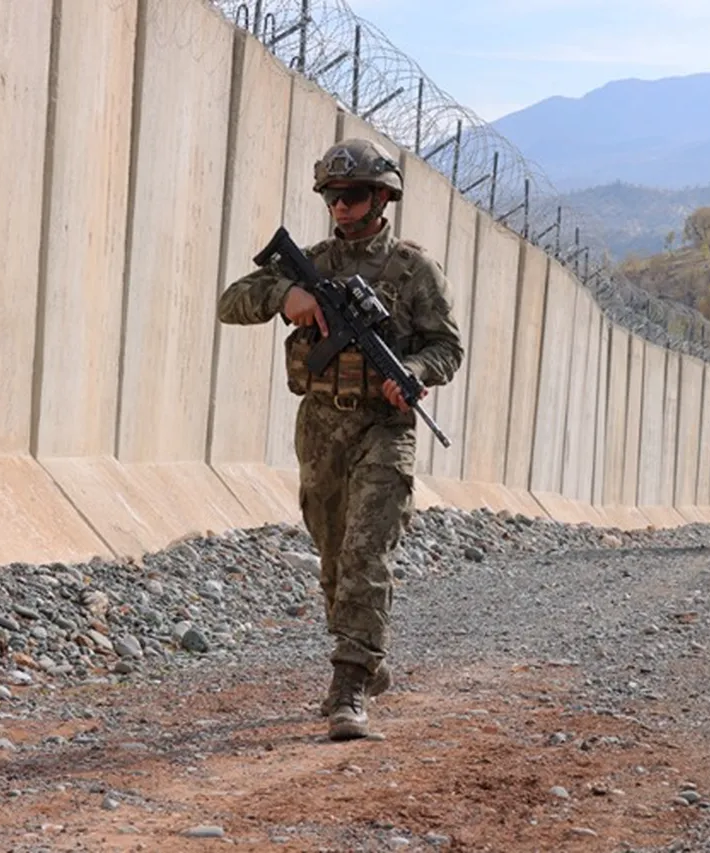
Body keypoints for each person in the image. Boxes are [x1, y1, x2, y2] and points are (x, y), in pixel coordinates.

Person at [216, 137, 465, 740]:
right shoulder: (313, 261)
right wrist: (286, 296)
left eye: (352, 196)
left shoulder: (413, 270)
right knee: (332, 558)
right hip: (322, 426)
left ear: (382, 198)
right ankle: (366, 653)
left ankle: (348, 686)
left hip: (384, 430)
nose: (341, 207)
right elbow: (232, 303)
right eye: (332, 196)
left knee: (366, 554)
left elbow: (447, 347)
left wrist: (415, 377)